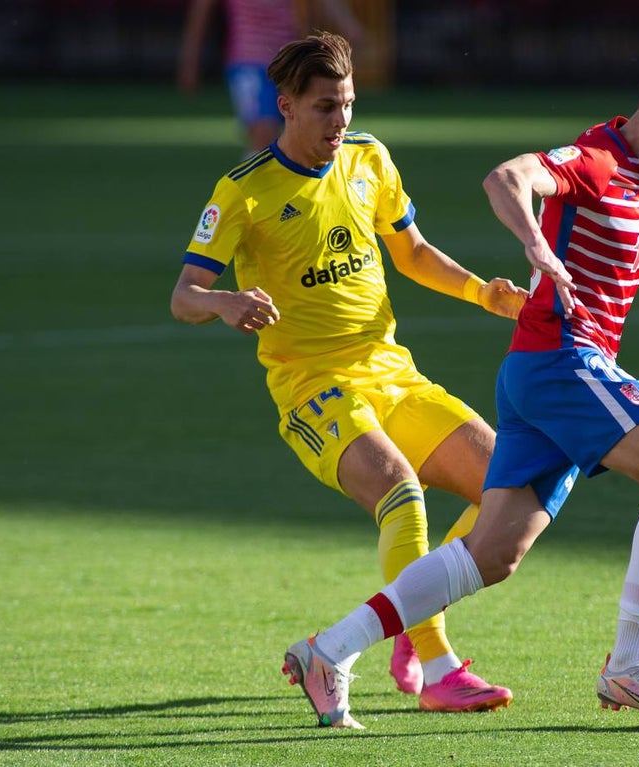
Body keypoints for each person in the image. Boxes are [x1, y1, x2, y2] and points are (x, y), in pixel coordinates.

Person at [289, 55, 639, 727]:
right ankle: (628, 663)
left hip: (542, 372)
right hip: (563, 358)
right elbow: (507, 178)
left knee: (491, 555)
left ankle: (329, 650)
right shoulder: (595, 158)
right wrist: (536, 245)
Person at [170, 31, 527, 728]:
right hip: (313, 388)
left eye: (349, 104)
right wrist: (223, 302)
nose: (341, 121)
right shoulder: (243, 192)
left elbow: (413, 252)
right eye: (327, 106)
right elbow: (184, 293)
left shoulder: (369, 158)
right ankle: (437, 663)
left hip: (393, 372)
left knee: (509, 485)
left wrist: (485, 293)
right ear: (287, 107)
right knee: (402, 494)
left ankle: (406, 624)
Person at [178, 0, 366, 154]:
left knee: (298, 136)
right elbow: (201, 12)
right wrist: (190, 61)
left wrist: (347, 24)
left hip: (290, 62)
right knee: (263, 135)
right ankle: (249, 193)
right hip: (249, 62)